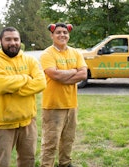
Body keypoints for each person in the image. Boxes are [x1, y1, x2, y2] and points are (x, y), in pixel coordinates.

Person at [0, 27, 47, 167]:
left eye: (16, 39)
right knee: (1, 163)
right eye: (8, 39)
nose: (13, 42)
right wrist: (26, 78)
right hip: (3, 123)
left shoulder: (30, 60)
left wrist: (14, 89)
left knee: (28, 161)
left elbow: (41, 83)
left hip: (28, 122)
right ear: (0, 41)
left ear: (20, 41)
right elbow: (1, 85)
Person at [40, 23, 87, 167]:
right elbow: (54, 75)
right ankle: (46, 165)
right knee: (50, 141)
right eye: (58, 32)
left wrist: (63, 77)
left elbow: (84, 74)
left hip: (72, 104)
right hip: (53, 105)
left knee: (68, 138)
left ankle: (65, 163)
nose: (62, 35)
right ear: (52, 35)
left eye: (65, 32)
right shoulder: (47, 54)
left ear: (69, 34)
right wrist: (73, 71)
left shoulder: (76, 53)